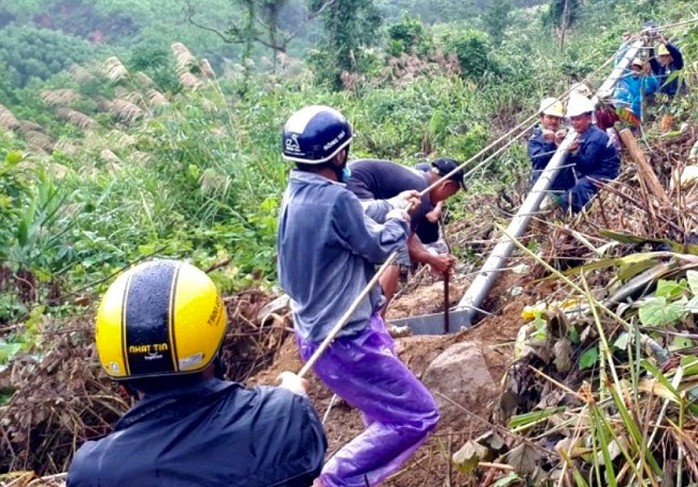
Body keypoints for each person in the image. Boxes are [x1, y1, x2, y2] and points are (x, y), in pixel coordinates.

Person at [277, 105, 439, 487]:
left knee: (383, 411)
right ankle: (334, 480)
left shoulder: (296, 195)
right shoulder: (337, 200)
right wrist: (400, 219)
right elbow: (376, 245)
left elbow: (355, 214)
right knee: (417, 415)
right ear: (338, 154)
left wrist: (392, 204)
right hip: (348, 339)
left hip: (319, 333)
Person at [67, 259, 326, 487]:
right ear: (217, 353)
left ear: (123, 384)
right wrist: (294, 397)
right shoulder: (285, 417)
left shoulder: (93, 472)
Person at [345, 158, 463, 308]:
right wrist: (434, 261)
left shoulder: (420, 181)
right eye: (450, 195)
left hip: (349, 188)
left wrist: (433, 258)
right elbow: (406, 242)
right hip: (356, 195)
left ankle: (370, 314)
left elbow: (410, 236)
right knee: (396, 249)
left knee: (394, 240)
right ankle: (379, 321)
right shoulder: (421, 194)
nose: (446, 199)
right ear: (447, 185)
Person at [547, 95, 620, 213]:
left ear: (588, 117)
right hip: (595, 174)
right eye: (573, 119)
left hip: (605, 176)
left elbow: (587, 165)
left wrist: (575, 152)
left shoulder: (596, 137)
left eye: (578, 119)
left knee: (571, 198)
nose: (574, 123)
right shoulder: (586, 133)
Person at [528, 97, 566, 185]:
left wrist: (563, 142)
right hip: (543, 186)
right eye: (550, 117)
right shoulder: (534, 140)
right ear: (541, 118)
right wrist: (550, 143)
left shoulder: (565, 135)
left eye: (556, 118)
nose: (553, 121)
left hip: (564, 184)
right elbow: (538, 161)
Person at [613, 57, 660, 128]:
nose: (634, 71)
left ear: (640, 70)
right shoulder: (628, 78)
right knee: (621, 111)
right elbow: (619, 67)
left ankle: (640, 126)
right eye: (632, 69)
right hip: (631, 107)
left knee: (640, 123)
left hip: (641, 108)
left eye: (637, 69)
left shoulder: (643, 79)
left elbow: (652, 87)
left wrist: (649, 75)